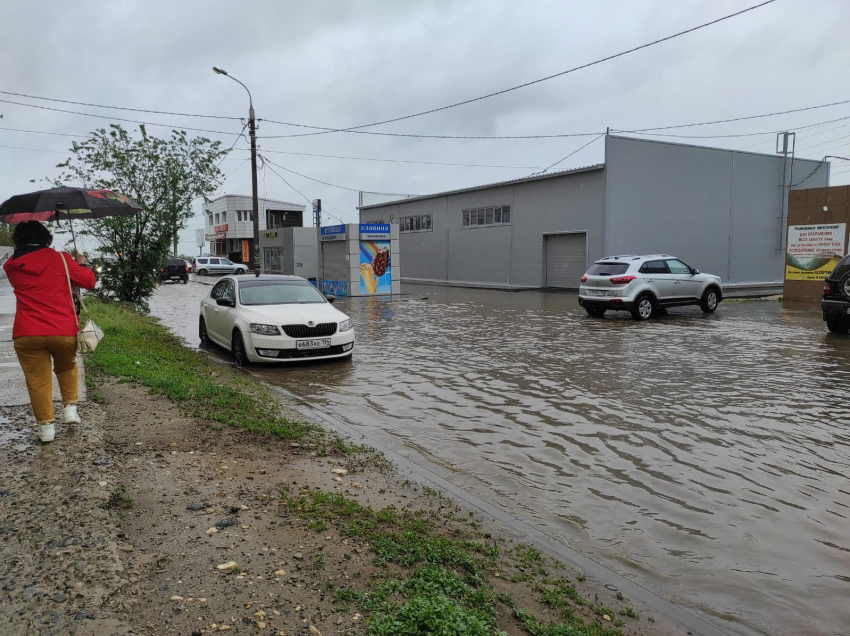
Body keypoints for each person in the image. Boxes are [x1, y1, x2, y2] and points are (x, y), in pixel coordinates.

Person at [2, 221, 96, 443]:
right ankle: (70, 409)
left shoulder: (11, 264)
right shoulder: (61, 258)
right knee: (66, 367)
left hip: (26, 332)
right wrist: (80, 264)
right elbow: (89, 282)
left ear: (18, 240)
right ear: (46, 237)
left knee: (37, 380)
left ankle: (46, 430)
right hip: (61, 330)